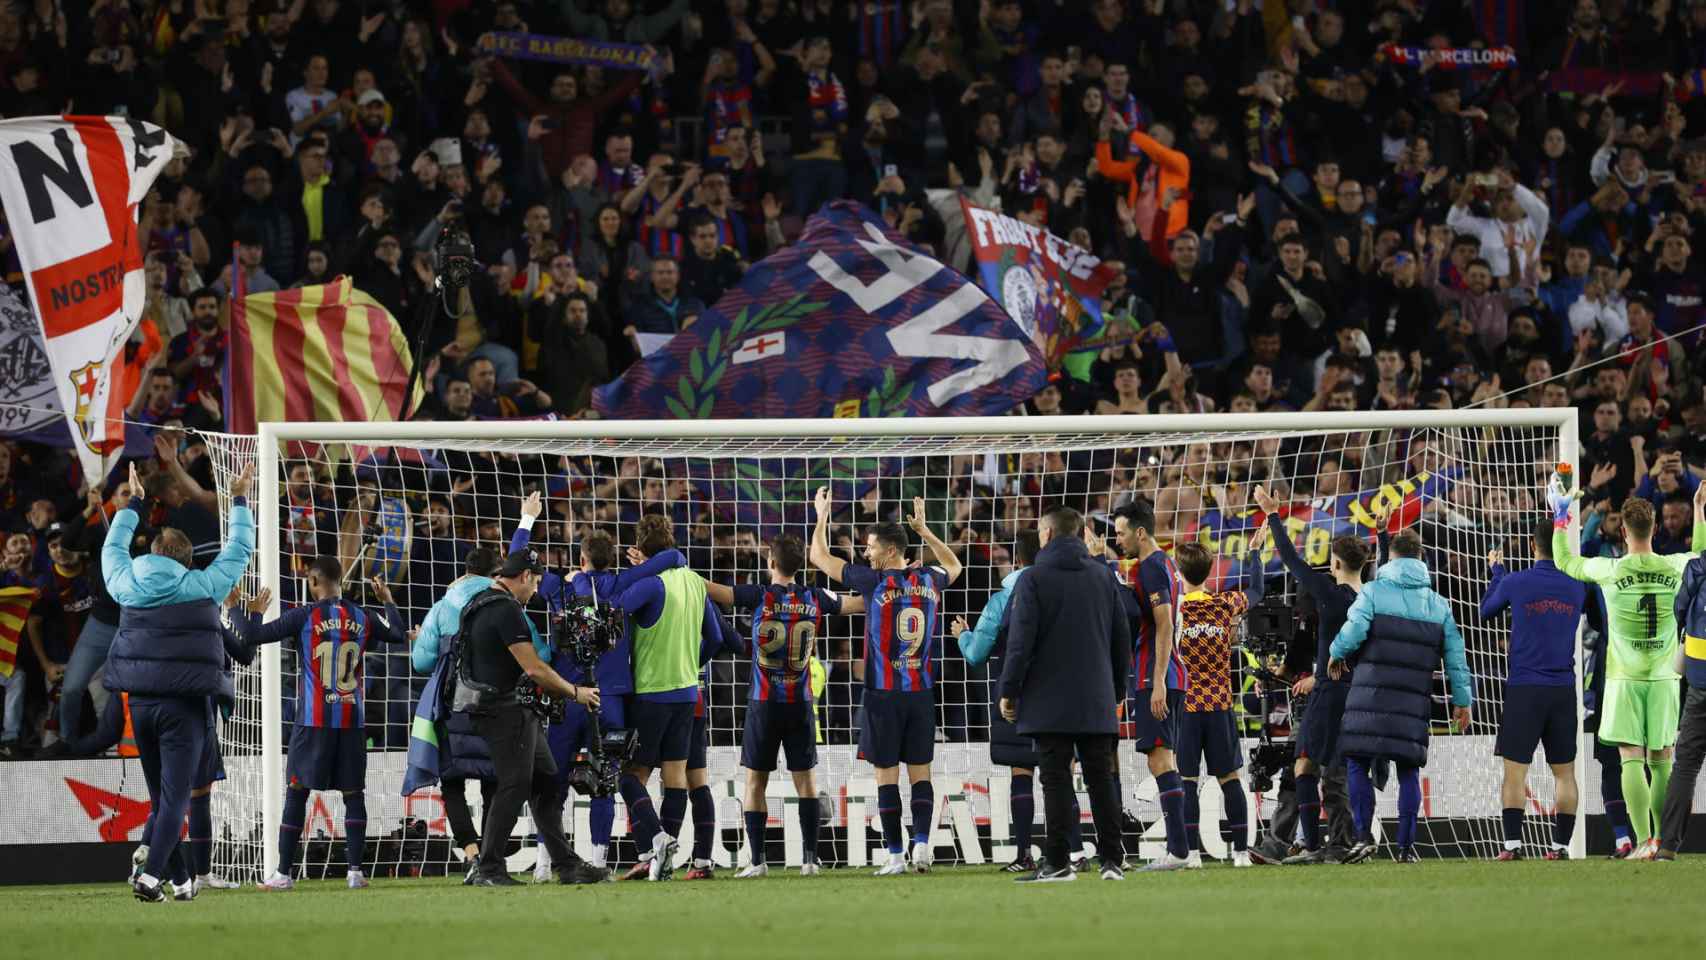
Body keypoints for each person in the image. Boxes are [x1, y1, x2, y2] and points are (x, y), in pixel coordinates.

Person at [101, 461, 254, 902]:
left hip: (141, 705)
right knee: (175, 800)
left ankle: (183, 881)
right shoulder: (201, 585)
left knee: (161, 799)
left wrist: (134, 502)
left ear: (151, 550)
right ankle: (151, 878)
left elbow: (113, 547)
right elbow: (241, 548)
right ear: (187, 560)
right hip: (184, 707)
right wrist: (240, 498)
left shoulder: (125, 582)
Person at [809, 488, 963, 876]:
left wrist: (822, 516)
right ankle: (923, 845)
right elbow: (955, 566)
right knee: (921, 773)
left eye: (872, 546)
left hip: (883, 695)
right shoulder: (929, 578)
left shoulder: (872, 582)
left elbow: (818, 557)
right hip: (921, 694)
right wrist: (925, 531)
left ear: (891, 551)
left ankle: (896, 854)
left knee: (886, 776)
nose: (866, 553)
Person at [1552, 483, 1706, 859]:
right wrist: (1699, 511)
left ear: (1624, 531)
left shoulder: (1610, 569)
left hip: (1623, 678)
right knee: (1662, 762)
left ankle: (1641, 842)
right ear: (1654, 528)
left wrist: (1560, 519)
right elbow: (1702, 555)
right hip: (1665, 677)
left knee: (1630, 761)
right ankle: (1662, 839)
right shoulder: (1675, 564)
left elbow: (1565, 563)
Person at [706, 533, 863, 878]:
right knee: (805, 782)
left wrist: (677, 572)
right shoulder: (816, 596)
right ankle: (810, 859)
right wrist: (888, 582)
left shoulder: (758, 595)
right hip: (800, 702)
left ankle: (758, 861)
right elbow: (857, 604)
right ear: (802, 565)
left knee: (754, 783)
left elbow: (715, 591)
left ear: (771, 563)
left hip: (764, 703)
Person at [248, 557, 409, 891]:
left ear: (312, 580)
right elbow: (397, 634)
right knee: (353, 795)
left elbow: (254, 636)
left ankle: (283, 874)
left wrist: (252, 611)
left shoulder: (304, 616)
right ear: (340, 580)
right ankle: (354, 873)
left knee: (296, 793)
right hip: (352, 721)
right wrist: (388, 600)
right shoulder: (362, 615)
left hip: (312, 723)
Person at [999, 508, 1132, 883]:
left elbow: (1019, 643)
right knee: (1100, 778)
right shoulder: (1104, 577)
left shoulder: (1033, 579)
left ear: (1046, 535)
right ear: (1080, 534)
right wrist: (1117, 690)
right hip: (1096, 697)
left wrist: (1009, 690)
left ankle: (1057, 862)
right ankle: (1112, 860)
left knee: (1055, 780)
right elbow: (1122, 639)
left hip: (1047, 699)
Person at [455, 549, 602, 886]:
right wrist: (574, 692)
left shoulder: (480, 601)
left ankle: (567, 865)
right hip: (504, 709)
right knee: (515, 784)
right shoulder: (506, 610)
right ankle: (489, 868)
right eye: (535, 582)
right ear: (523, 576)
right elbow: (534, 668)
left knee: (547, 780)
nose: (535, 590)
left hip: (498, 706)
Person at [1330, 529, 1473, 864]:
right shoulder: (1440, 605)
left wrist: (1336, 653)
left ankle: (1363, 837)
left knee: (1357, 762)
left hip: (1370, 696)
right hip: (1412, 703)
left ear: (1391, 557)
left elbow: (1353, 633)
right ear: (1420, 559)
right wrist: (1462, 700)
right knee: (1408, 769)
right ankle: (1406, 848)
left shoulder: (1373, 592)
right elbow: (1456, 657)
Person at [547, 528, 683, 879]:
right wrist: (641, 563)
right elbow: (675, 557)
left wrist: (527, 521)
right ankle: (599, 861)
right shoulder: (623, 584)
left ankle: (547, 864)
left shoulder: (560, 586)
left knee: (552, 782)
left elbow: (515, 559)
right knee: (605, 779)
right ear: (614, 558)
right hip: (611, 698)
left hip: (569, 695)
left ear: (581, 559)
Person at [1253, 484, 1373, 865]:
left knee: (1305, 764)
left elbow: (1290, 558)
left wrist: (1273, 515)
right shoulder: (1372, 596)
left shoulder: (1330, 594)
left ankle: (1310, 845)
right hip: (1361, 692)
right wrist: (1384, 535)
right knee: (1339, 770)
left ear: (1336, 564)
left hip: (1329, 691)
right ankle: (1343, 842)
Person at [613, 515, 734, 882]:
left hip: (652, 693)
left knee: (630, 776)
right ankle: (661, 863)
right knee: (675, 776)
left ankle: (656, 842)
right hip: (687, 693)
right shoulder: (696, 583)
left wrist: (638, 572)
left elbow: (613, 603)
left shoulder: (649, 586)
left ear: (642, 549)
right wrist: (688, 662)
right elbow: (715, 639)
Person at [1480, 519, 1603, 860]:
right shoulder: (1578, 583)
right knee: (1565, 773)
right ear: (1565, 544)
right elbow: (1598, 621)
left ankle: (1512, 846)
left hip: (1524, 688)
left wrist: (1497, 573)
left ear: (1533, 546)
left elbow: (1485, 611)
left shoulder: (1516, 582)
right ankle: (1561, 847)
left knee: (1514, 771)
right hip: (1563, 689)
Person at [951, 530, 1062, 873]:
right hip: (1058, 693)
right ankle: (1074, 850)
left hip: (1013, 695)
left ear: (1016, 560)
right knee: (1060, 773)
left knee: (1021, 771)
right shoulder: (1061, 592)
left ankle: (1024, 853)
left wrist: (962, 635)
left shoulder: (1001, 601)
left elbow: (976, 654)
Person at [1171, 530, 1268, 868]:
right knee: (1229, 780)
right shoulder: (1225, 604)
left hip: (1186, 708)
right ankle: (1241, 853)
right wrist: (1255, 552)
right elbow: (1256, 591)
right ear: (1208, 571)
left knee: (1186, 782)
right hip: (1220, 706)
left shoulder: (1175, 610)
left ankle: (1193, 855)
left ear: (1179, 573)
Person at [1107, 498, 1191, 871]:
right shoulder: (1164, 564)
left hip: (1156, 674)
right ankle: (1182, 849)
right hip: (1168, 673)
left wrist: (1156, 681)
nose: (1118, 539)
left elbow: (1165, 624)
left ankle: (1178, 851)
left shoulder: (1153, 567)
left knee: (1160, 760)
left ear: (1140, 532)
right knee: (1165, 759)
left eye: (1122, 533)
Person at [1660, 547, 1706, 858]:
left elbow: (1679, 610)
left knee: (1686, 766)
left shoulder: (1697, 568)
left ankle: (1667, 846)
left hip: (1701, 681)